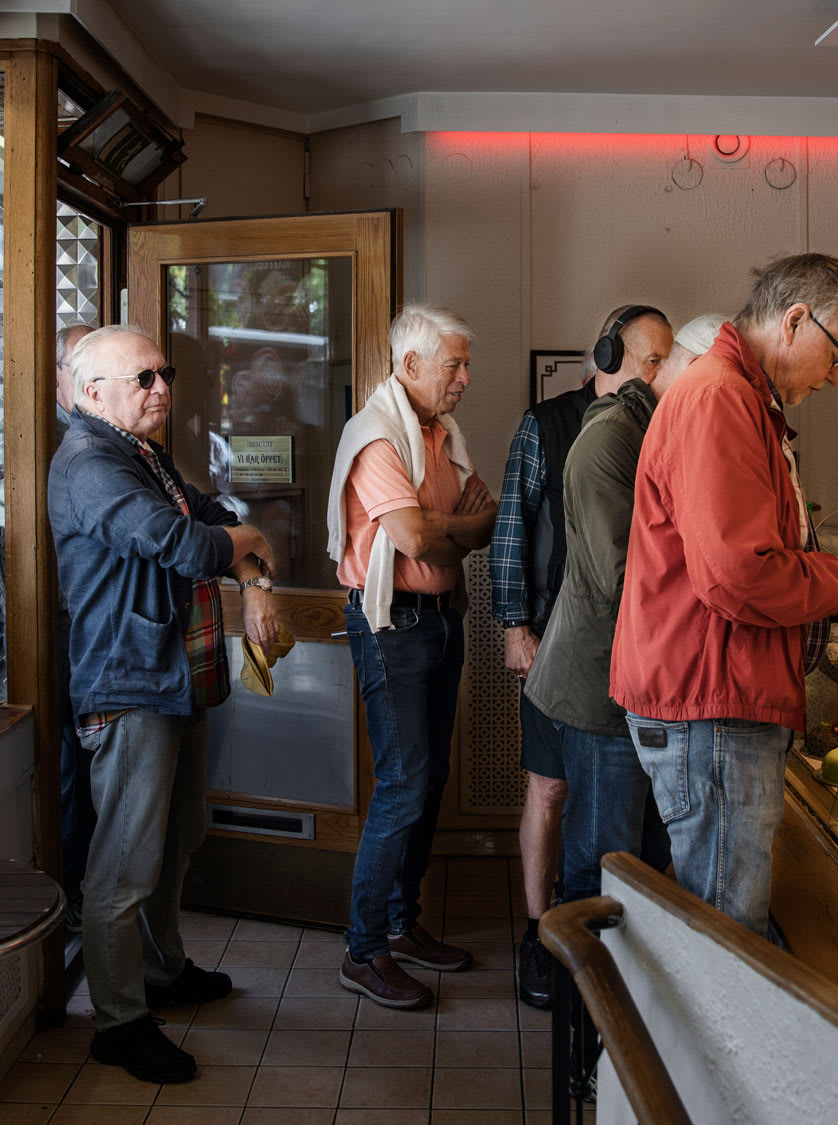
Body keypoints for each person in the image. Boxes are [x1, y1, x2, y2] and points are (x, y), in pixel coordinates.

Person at [610, 254, 838, 936]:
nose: (835, 376)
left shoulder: (738, 395)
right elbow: (736, 575)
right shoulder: (721, 396)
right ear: (795, 319)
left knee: (722, 926)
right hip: (712, 706)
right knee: (728, 939)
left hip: (716, 697)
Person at [50, 325, 279, 1083]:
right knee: (121, 863)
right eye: (142, 377)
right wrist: (249, 544)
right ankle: (118, 1022)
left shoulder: (138, 451)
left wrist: (250, 572)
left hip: (175, 678)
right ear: (92, 392)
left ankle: (162, 970)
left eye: (163, 373)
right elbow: (186, 543)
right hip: (128, 683)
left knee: (177, 838)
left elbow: (210, 509)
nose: (160, 388)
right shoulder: (89, 463)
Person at [492, 304, 671, 1010]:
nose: (663, 373)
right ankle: (540, 932)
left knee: (613, 808)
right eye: (653, 359)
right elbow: (513, 524)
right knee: (550, 788)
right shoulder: (547, 424)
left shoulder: (652, 428)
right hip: (552, 640)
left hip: (624, 659)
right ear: (607, 352)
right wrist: (514, 626)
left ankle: (584, 940)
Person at [328, 305, 497, 1010]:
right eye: (453, 365)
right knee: (404, 783)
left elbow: (486, 520)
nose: (464, 378)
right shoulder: (375, 438)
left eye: (464, 364)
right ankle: (363, 950)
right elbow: (418, 540)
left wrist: (442, 529)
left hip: (439, 619)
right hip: (391, 625)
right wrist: (448, 530)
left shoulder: (441, 433)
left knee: (429, 781)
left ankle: (402, 923)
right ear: (410, 366)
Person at [525, 313, 718, 922]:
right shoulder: (612, 438)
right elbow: (622, 578)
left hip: (639, 679)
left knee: (643, 853)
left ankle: (612, 1004)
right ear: (678, 373)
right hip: (601, 687)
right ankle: (582, 1006)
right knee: (601, 862)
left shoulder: (653, 428)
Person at [53, 320, 97, 932]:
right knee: (71, 770)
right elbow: (180, 542)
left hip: (92, 631)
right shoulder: (81, 453)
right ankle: (70, 900)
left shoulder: (121, 444)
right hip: (68, 631)